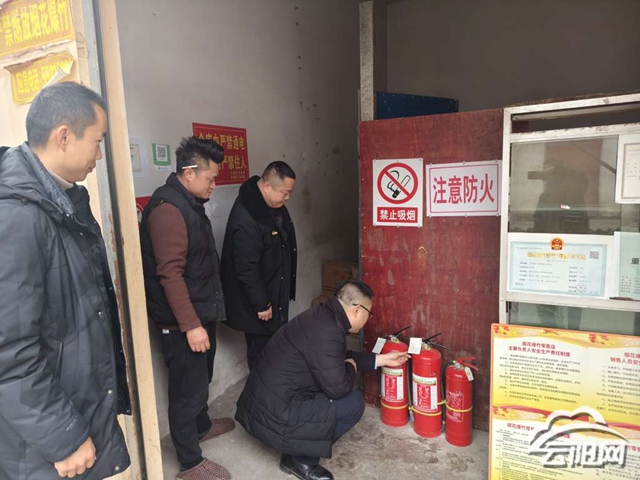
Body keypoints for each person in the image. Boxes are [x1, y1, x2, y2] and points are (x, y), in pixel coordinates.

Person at [0, 82, 130, 479]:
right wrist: (64, 437)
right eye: (97, 141)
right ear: (64, 136)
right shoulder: (17, 217)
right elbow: (9, 351)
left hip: (74, 409)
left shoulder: (65, 200)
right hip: (45, 442)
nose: (99, 155)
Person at [235, 280, 410, 480]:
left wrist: (382, 360)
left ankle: (295, 448)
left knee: (333, 383)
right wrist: (351, 368)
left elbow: (337, 357)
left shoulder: (322, 316)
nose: (368, 319)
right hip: (274, 413)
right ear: (356, 310)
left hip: (264, 405)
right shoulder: (328, 331)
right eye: (369, 313)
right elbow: (339, 388)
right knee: (353, 403)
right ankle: (299, 460)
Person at [140, 136, 235, 480]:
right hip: (182, 321)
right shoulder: (168, 210)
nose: (214, 185)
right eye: (210, 178)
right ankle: (190, 462)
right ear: (190, 172)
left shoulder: (189, 203)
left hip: (199, 312)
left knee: (200, 378)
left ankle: (201, 426)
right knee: (185, 390)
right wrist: (191, 325)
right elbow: (170, 274)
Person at [221, 161, 297, 370]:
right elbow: (246, 268)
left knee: (275, 351)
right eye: (285, 193)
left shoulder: (271, 206)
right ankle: (261, 388)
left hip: (274, 293)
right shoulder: (247, 218)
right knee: (262, 355)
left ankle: (273, 385)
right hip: (261, 304)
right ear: (267, 187)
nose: (287, 198)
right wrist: (261, 303)